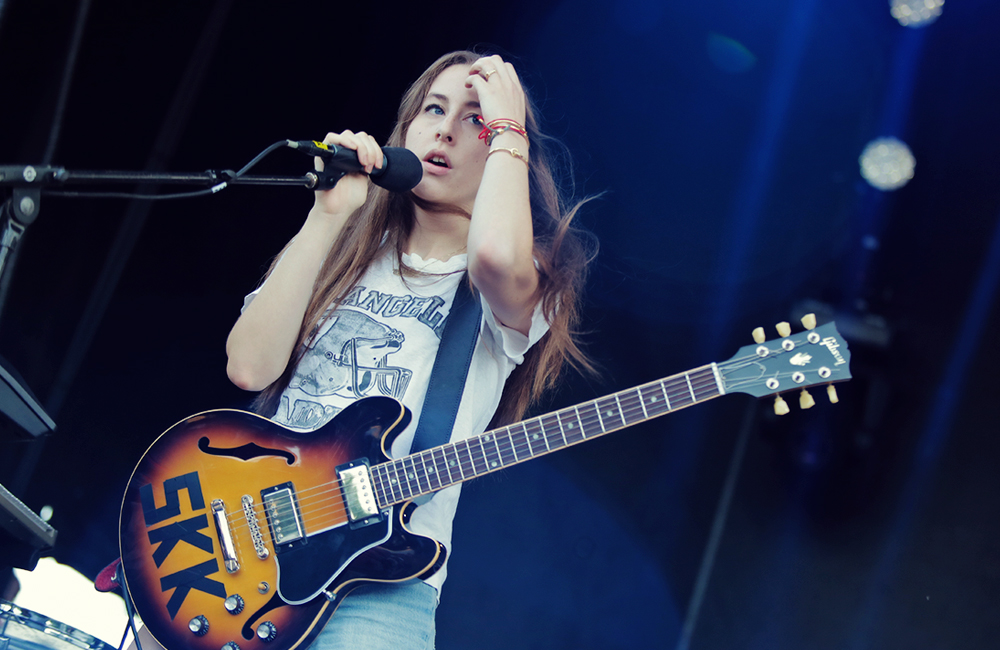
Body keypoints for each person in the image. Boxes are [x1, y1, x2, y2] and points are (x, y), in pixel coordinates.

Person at [225, 50, 593, 650]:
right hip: (249, 542)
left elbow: (496, 255)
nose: (445, 130)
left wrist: (510, 129)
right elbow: (248, 367)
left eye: (476, 118)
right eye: (433, 109)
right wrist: (328, 216)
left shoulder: (517, 284)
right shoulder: (344, 250)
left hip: (382, 587)